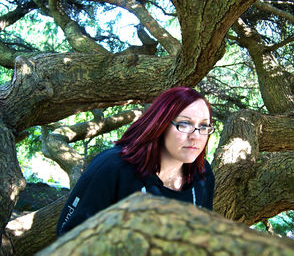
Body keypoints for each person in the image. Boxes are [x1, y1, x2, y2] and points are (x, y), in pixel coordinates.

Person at [56, 87, 215, 236]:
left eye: (204, 126)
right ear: (161, 123)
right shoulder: (112, 168)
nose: (196, 136)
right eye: (185, 124)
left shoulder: (202, 174)